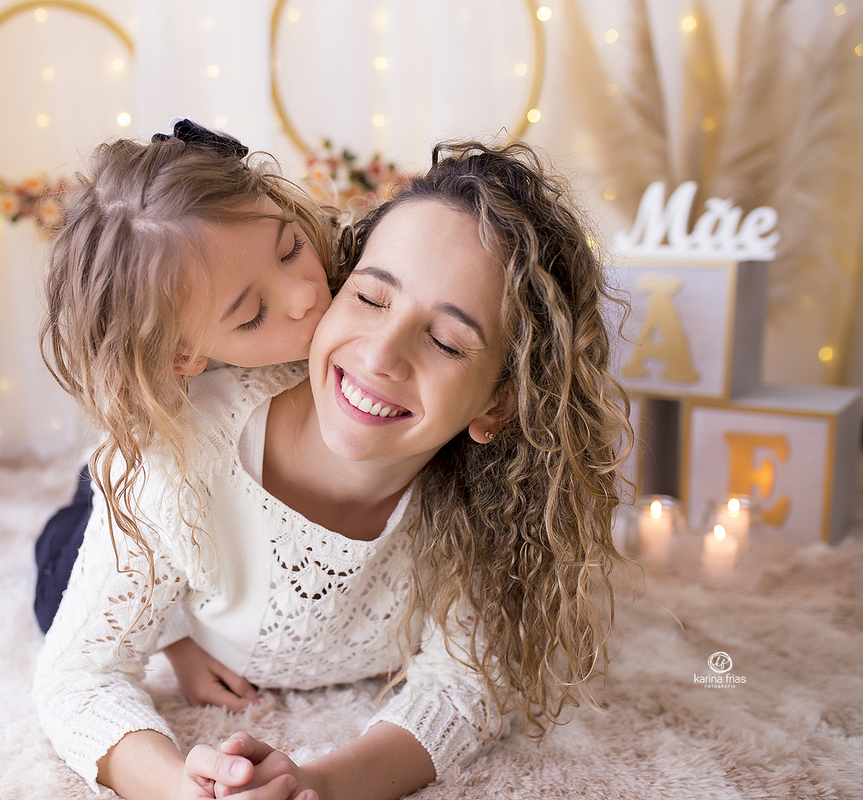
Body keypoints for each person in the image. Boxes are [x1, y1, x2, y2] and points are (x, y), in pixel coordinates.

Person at [34, 138, 632, 800]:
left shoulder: (488, 511)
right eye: (370, 298)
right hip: (153, 479)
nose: (379, 357)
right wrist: (179, 783)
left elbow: (468, 685)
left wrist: (318, 783)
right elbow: (77, 673)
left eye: (445, 341)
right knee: (70, 550)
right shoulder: (175, 467)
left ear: (499, 401)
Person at [35, 119, 346, 710]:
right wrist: (176, 641)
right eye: (253, 313)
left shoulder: (340, 273)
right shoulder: (161, 423)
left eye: (289, 250)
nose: (304, 293)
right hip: (124, 483)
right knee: (61, 582)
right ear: (184, 354)